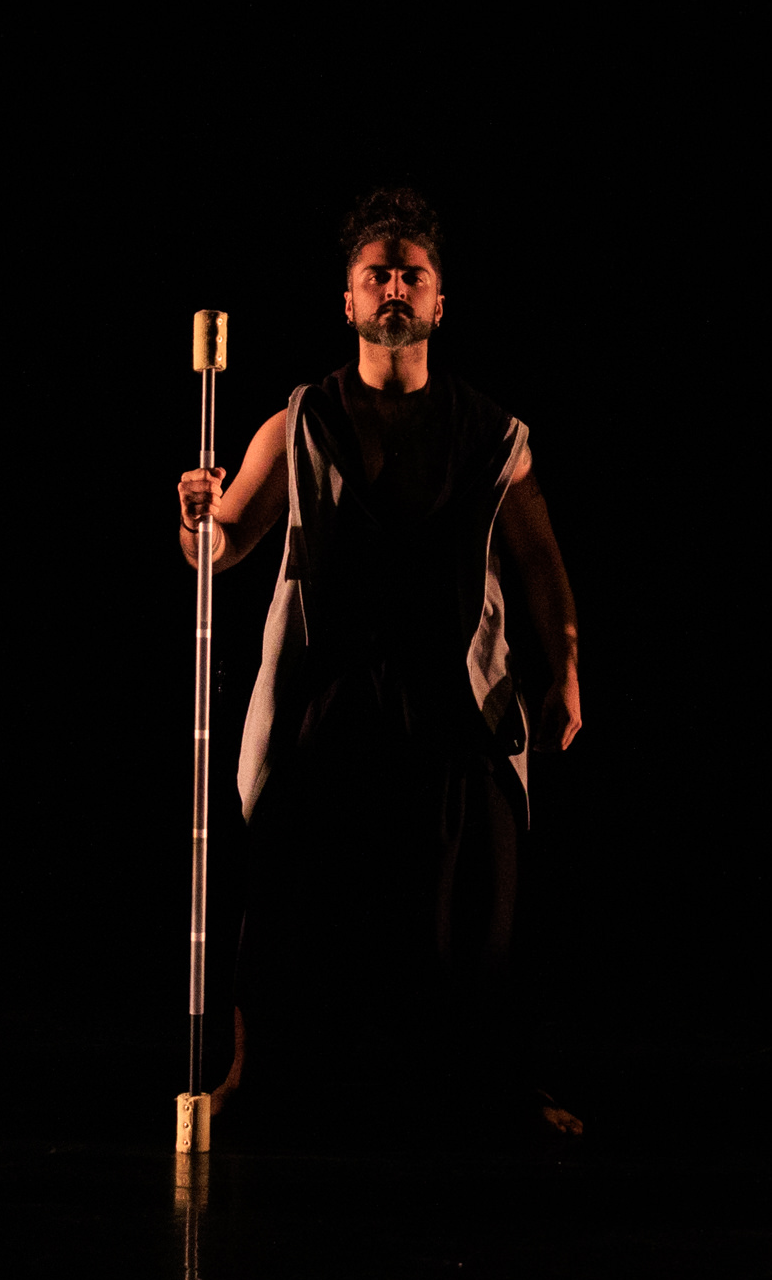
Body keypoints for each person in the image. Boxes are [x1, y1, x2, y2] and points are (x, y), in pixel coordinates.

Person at [175, 187, 583, 1144]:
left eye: (412, 275)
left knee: (477, 901)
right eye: (377, 275)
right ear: (349, 299)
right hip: (330, 691)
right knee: (286, 893)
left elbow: (538, 565)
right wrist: (196, 516)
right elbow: (220, 549)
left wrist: (564, 669)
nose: (394, 288)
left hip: (455, 694)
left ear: (440, 301)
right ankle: (255, 1078)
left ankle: (496, 1089)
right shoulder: (299, 420)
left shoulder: (494, 433)